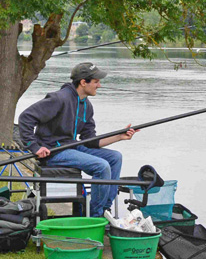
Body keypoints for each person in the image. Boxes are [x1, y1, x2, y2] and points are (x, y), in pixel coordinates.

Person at [18, 62, 138, 217]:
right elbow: (26, 118)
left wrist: (119, 137)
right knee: (101, 166)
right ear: (83, 82)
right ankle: (95, 215)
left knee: (115, 157)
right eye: (96, 82)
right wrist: (34, 147)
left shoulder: (86, 106)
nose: (99, 85)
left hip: (72, 147)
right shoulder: (59, 99)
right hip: (54, 152)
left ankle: (105, 209)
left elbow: (89, 141)